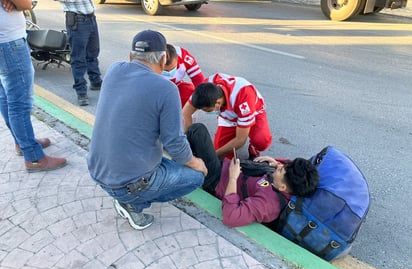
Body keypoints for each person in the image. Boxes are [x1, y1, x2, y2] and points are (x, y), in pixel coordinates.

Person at [87, 30, 207, 231]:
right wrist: (198, 164)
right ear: (164, 60)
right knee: (195, 176)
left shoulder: (115, 69)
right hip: (127, 185)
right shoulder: (166, 89)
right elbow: (175, 145)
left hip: (98, 171)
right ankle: (134, 203)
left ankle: (129, 194)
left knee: (162, 159)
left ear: (131, 56)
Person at [186, 122, 319, 228]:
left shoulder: (268, 204)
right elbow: (289, 163)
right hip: (227, 167)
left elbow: (231, 217)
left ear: (283, 187)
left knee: (197, 131)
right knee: (198, 146)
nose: (279, 167)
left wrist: (233, 178)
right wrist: (275, 162)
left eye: (280, 170)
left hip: (217, 180)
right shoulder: (287, 181)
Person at [0, 0, 67, 172]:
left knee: (6, 98)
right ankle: (34, 157)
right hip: (9, 44)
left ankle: (23, 142)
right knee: (19, 103)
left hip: (5, 42)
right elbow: (26, 4)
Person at [182, 73, 272, 160]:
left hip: (252, 111)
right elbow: (186, 113)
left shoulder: (243, 97)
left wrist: (213, 155)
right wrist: (189, 142)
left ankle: (253, 147)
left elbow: (240, 140)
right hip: (228, 116)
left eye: (208, 111)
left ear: (218, 103)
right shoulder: (206, 88)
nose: (207, 112)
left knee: (261, 140)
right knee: (223, 153)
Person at [56, 0, 102, 106]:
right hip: (77, 19)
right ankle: (81, 91)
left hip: (91, 17)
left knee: (93, 53)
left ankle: (95, 81)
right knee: (78, 58)